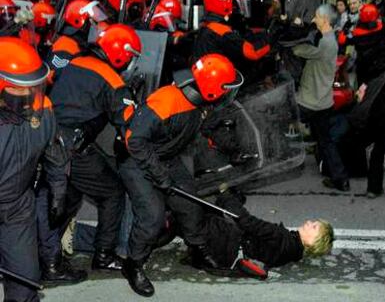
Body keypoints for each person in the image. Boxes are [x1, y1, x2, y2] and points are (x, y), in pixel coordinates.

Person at [118, 53, 244, 297]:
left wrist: (234, 154)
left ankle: (196, 248)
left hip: (166, 156)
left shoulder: (199, 104)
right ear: (210, 89)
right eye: (224, 89)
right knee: (152, 217)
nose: (227, 94)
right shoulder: (167, 102)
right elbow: (134, 140)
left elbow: (205, 135)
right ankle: (133, 263)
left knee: (189, 201)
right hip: (137, 159)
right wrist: (159, 176)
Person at [38, 23, 141, 284]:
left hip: (46, 136)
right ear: (120, 54)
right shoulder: (114, 81)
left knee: (65, 199)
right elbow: (129, 125)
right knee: (112, 192)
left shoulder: (74, 61)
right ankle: (104, 255)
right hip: (72, 147)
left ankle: (46, 254)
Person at [0, 36, 66, 302]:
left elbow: (54, 153)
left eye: (32, 88)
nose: (28, 98)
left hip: (18, 207)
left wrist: (59, 189)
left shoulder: (43, 111)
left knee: (25, 281)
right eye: (19, 90)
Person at [191, 189, 334, 276]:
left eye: (314, 226)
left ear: (312, 242)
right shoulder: (293, 251)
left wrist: (225, 194)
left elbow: (247, 221)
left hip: (226, 245)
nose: (309, 222)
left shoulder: (281, 237)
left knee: (194, 213)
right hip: (232, 254)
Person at [292, 4, 350, 191]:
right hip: (324, 102)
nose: (314, 19)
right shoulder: (329, 39)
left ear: (325, 20)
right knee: (326, 142)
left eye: (317, 16)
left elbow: (297, 50)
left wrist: (295, 31)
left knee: (276, 121)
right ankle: (340, 178)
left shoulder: (324, 43)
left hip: (309, 102)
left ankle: (276, 164)